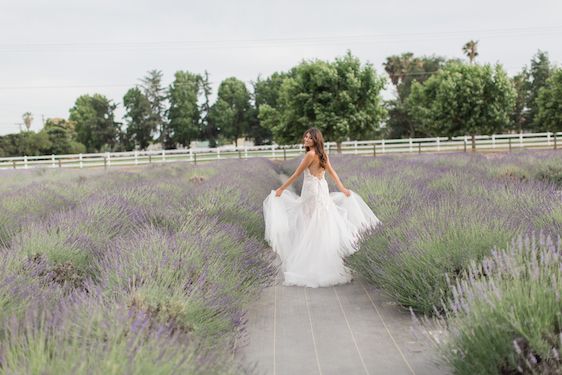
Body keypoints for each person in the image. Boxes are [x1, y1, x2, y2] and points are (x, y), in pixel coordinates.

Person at [262, 128, 381, 287]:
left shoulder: (310, 155)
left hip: (312, 194)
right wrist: (342, 189)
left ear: (316, 140)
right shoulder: (322, 154)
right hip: (321, 191)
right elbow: (333, 174)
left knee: (311, 226)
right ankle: (325, 264)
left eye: (309, 138)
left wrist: (281, 189)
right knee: (320, 226)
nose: (306, 139)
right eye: (305, 136)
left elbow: (296, 174)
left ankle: (313, 267)